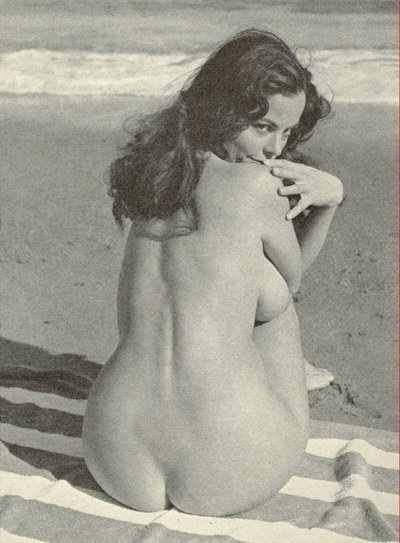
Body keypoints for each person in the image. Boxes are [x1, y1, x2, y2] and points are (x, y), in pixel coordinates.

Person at [82, 29, 344, 517]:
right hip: (227, 465)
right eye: (263, 126)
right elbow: (291, 283)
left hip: (113, 455)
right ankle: (273, 380)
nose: (275, 148)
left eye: (287, 133)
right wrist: (330, 201)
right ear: (221, 109)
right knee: (274, 298)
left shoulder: (156, 176)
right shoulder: (258, 185)